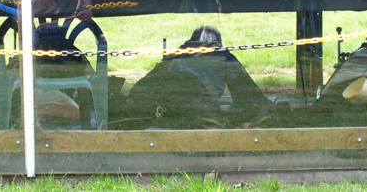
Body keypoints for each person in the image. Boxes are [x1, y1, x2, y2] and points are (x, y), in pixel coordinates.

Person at [119, 26, 280, 129]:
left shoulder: (175, 56)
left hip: (169, 109)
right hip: (197, 108)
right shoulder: (224, 57)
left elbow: (137, 93)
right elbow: (250, 98)